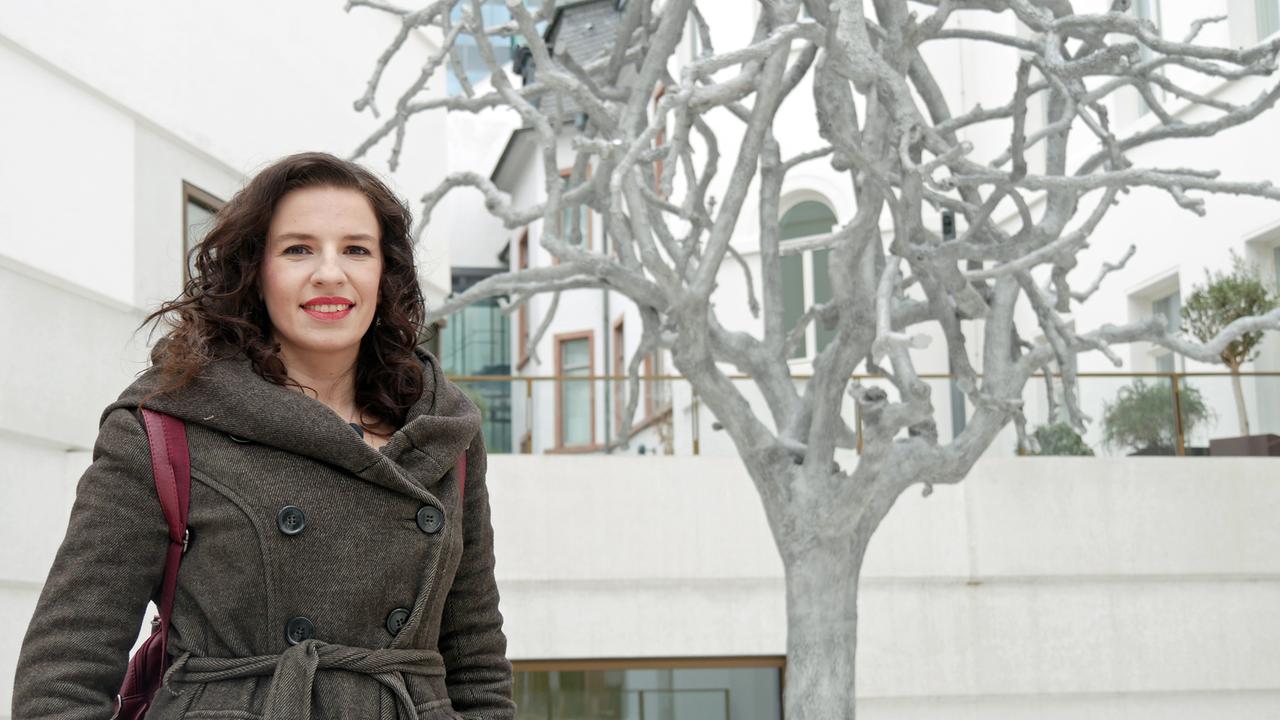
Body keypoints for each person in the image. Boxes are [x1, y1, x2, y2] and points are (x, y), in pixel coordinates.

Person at [12, 152, 515, 719]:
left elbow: (476, 663)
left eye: (356, 249)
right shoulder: (166, 426)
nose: (330, 272)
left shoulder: (445, 430)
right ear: (256, 270)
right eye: (298, 249)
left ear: (385, 273)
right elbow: (62, 677)